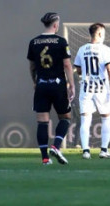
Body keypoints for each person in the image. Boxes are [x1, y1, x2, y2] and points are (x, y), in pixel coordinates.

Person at [27, 12, 76, 165]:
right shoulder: (61, 41)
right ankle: (55, 146)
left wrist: (34, 81)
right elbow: (67, 64)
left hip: (41, 84)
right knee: (66, 117)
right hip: (57, 85)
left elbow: (32, 66)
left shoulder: (33, 42)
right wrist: (72, 85)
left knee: (42, 122)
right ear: (55, 25)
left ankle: (45, 158)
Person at [74, 22, 110, 159]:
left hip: (86, 88)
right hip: (101, 89)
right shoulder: (106, 50)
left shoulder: (82, 49)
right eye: (103, 34)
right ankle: (103, 150)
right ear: (99, 34)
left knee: (85, 120)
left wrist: (86, 74)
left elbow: (79, 69)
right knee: (106, 118)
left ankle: (86, 151)